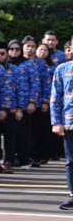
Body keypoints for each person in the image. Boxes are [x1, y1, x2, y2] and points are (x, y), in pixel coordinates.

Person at [49, 50, 73, 210]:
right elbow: (55, 97)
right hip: (69, 122)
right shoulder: (62, 69)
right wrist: (56, 122)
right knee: (71, 161)